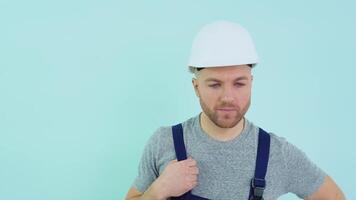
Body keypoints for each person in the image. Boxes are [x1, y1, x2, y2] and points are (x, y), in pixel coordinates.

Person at [125, 21, 345, 200]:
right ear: (196, 87)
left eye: (239, 84)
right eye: (214, 84)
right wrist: (158, 191)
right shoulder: (164, 142)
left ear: (251, 84)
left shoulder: (278, 154)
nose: (228, 97)